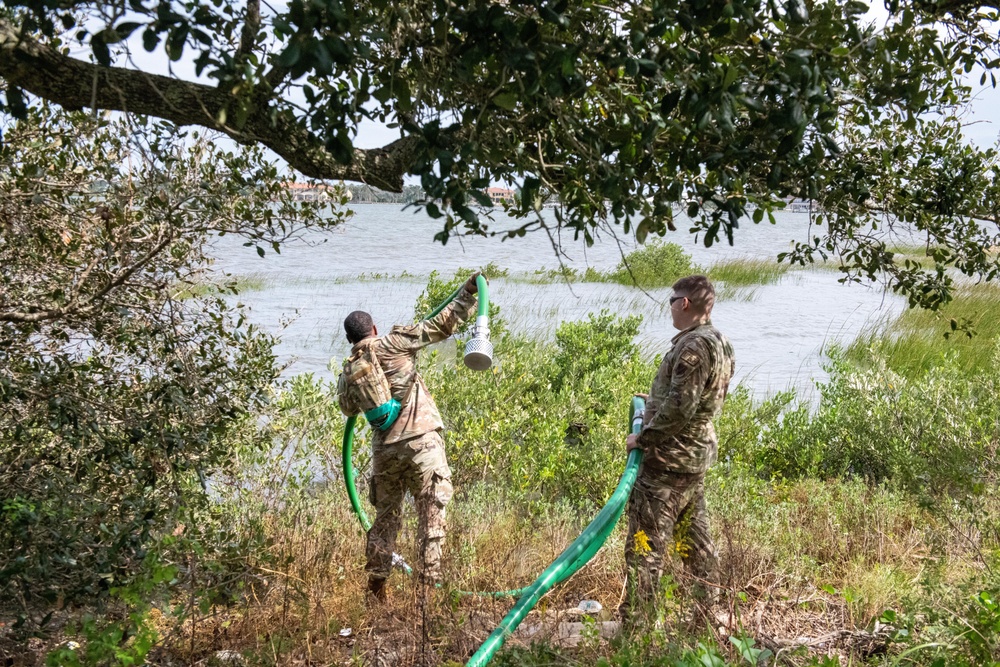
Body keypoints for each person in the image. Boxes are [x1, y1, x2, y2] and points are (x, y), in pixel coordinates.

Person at [337, 272, 482, 601]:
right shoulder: (392, 342)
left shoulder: (348, 372)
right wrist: (470, 291)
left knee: (385, 519)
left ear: (350, 339)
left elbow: (348, 410)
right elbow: (442, 325)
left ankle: (375, 592)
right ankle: (426, 596)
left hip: (385, 452)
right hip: (422, 444)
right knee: (432, 514)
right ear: (373, 329)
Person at [621, 274, 735, 619]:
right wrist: (652, 402)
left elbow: (682, 407)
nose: (669, 308)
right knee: (697, 546)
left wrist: (642, 438)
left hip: (667, 461)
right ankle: (709, 619)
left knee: (645, 550)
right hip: (693, 460)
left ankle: (636, 632)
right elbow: (699, 400)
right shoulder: (719, 341)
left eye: (671, 301)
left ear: (684, 303)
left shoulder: (694, 346)